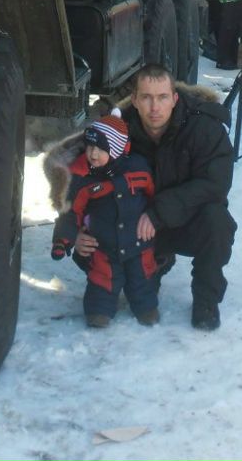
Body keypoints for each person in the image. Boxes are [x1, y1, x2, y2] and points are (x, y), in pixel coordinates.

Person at [75, 65, 236, 331]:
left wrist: (159, 212)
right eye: (146, 97)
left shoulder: (203, 127)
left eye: (162, 97)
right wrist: (76, 227)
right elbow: (80, 177)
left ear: (174, 99)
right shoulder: (115, 131)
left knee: (218, 222)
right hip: (133, 228)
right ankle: (150, 266)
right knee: (90, 241)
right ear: (134, 100)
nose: (154, 107)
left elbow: (215, 184)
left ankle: (206, 300)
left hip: (182, 220)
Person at [51, 112, 160, 327]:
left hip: (137, 243)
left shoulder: (138, 169)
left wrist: (155, 218)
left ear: (118, 149)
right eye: (90, 147)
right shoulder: (83, 177)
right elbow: (71, 211)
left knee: (142, 278)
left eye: (101, 149)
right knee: (102, 280)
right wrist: (64, 240)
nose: (93, 154)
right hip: (104, 245)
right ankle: (99, 311)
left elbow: (153, 196)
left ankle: (146, 308)